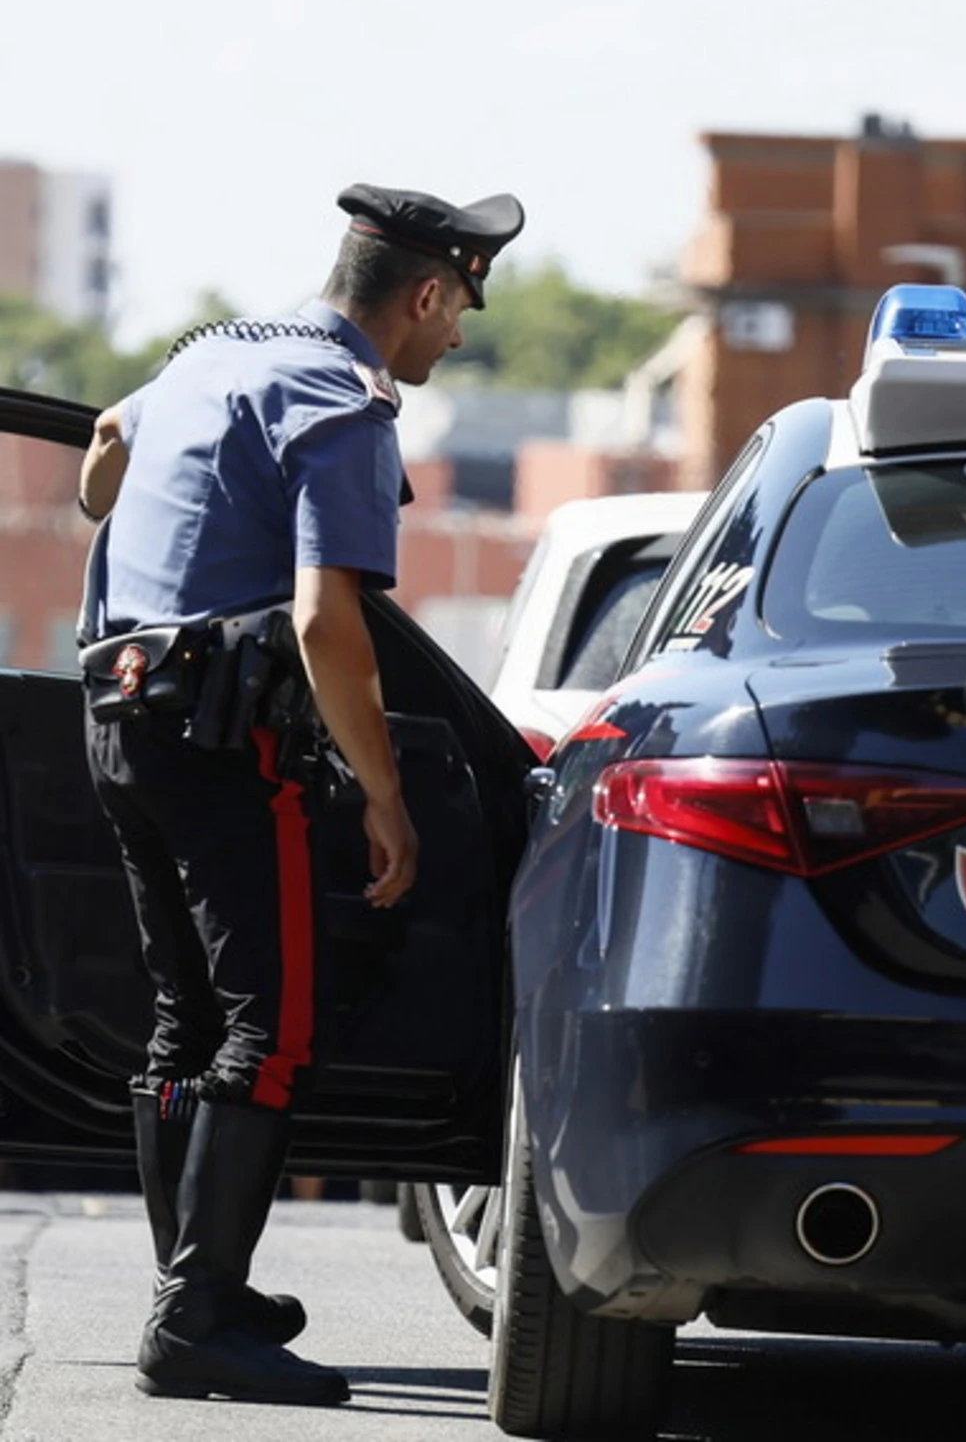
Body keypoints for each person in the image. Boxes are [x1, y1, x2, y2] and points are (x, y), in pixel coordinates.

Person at [74, 183, 523, 1406]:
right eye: (459, 309)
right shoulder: (343, 401)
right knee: (273, 1028)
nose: (457, 336)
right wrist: (384, 794)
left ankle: (196, 1287)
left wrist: (122, 498)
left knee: (185, 1021)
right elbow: (331, 621)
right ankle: (198, 1316)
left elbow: (106, 448)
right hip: (225, 742)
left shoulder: (210, 356)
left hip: (117, 713)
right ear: (425, 292)